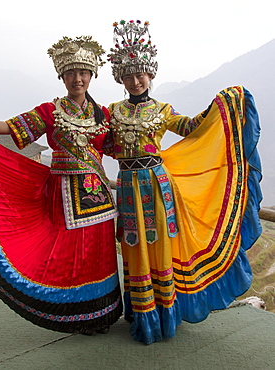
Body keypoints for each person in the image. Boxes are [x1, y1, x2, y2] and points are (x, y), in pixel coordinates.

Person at [0, 35, 123, 335]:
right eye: (71, 73)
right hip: (62, 195)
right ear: (62, 76)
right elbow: (11, 126)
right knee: (71, 254)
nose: (77, 79)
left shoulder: (104, 115)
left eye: (83, 72)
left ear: (91, 75)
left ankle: (103, 313)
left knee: (100, 251)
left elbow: (118, 147)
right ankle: (76, 312)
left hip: (98, 195)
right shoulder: (50, 111)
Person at [107, 20, 262, 344]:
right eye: (129, 75)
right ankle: (141, 314)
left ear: (150, 74)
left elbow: (190, 126)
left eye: (141, 74)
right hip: (127, 188)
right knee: (133, 247)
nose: (135, 81)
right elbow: (100, 141)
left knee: (160, 245)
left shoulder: (162, 110)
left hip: (157, 186)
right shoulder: (113, 112)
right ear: (120, 78)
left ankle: (162, 317)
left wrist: (221, 106)